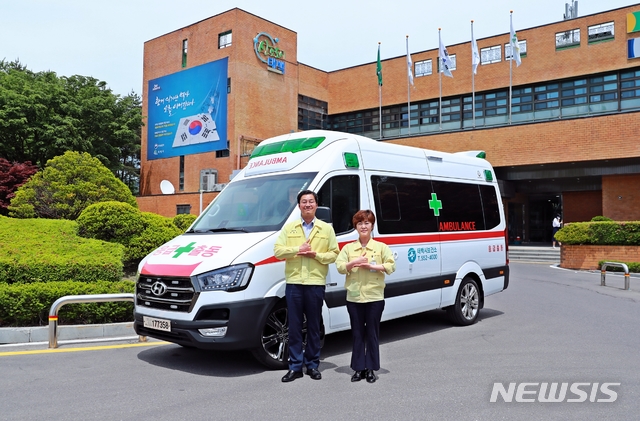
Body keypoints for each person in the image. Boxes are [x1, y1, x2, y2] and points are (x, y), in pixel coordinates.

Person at [274, 190, 339, 382]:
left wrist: (316, 255)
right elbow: (278, 251)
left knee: (313, 326)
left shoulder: (326, 229)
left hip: (315, 283)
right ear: (299, 206)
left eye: (311, 201)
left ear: (316, 205)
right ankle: (295, 367)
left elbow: (334, 254)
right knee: (293, 327)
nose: (308, 205)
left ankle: (312, 365)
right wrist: (297, 250)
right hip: (294, 283)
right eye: (304, 202)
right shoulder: (290, 228)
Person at [335, 210, 395, 384]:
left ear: (372, 226)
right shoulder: (348, 248)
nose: (363, 226)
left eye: (367, 223)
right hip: (354, 298)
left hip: (374, 297)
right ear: (355, 227)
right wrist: (353, 263)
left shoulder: (380, 247)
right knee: (357, 333)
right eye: (360, 223)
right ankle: (358, 369)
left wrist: (373, 267)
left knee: (372, 333)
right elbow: (339, 267)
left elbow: (391, 266)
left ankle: (370, 369)